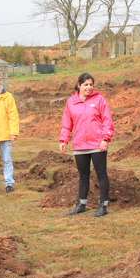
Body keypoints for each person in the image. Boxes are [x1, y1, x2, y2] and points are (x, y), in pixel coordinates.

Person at [60, 73, 114, 218]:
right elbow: (67, 123)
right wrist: (64, 140)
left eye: (91, 84)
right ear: (79, 85)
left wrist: (105, 139)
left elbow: (107, 120)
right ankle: (81, 205)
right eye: (85, 85)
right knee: (83, 175)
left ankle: (103, 206)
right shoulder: (71, 102)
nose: (89, 87)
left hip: (97, 144)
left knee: (101, 175)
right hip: (79, 145)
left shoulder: (99, 99)